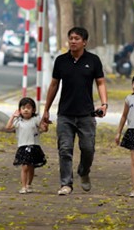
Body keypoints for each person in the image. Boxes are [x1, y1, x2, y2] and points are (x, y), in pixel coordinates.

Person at [42, 27, 108, 196]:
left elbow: (100, 83)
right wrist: (47, 109)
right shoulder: (61, 61)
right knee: (64, 149)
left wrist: (104, 104)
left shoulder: (93, 60)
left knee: (88, 149)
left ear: (84, 42)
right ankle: (66, 184)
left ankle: (84, 171)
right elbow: (54, 85)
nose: (73, 41)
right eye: (70, 38)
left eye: (77, 38)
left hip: (86, 114)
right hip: (65, 114)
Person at [5, 97, 49, 194]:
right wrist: (13, 116)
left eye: (28, 108)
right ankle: (23, 186)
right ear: (19, 110)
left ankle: (29, 184)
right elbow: (8, 127)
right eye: (23, 108)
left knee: (31, 167)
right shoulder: (18, 121)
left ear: (33, 110)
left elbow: (44, 129)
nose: (26, 110)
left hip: (34, 146)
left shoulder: (35, 120)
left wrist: (45, 123)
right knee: (25, 167)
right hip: (23, 147)